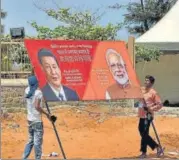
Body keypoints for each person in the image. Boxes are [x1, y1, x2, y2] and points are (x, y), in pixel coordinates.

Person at [22, 75, 51, 159]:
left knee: (30, 141)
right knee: (37, 143)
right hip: (37, 121)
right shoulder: (38, 93)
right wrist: (47, 114)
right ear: (35, 83)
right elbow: (37, 106)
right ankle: (37, 158)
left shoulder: (26, 90)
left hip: (29, 120)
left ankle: (24, 158)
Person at [138, 75, 163, 158]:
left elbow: (160, 104)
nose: (145, 82)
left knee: (144, 133)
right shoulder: (141, 90)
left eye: (147, 80)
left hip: (148, 115)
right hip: (141, 115)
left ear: (151, 83)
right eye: (145, 80)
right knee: (143, 133)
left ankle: (145, 152)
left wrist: (151, 109)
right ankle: (156, 147)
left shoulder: (153, 93)